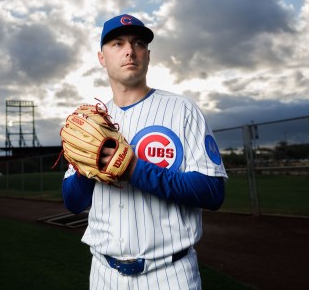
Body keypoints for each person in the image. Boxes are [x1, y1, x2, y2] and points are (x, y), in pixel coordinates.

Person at [62, 14, 227, 289]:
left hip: (170, 274)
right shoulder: (90, 123)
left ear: (147, 56)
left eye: (138, 43)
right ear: (101, 58)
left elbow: (212, 192)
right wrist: (88, 165)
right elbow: (73, 202)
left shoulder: (181, 109)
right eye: (117, 43)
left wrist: (134, 169)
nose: (129, 50)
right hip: (104, 275)